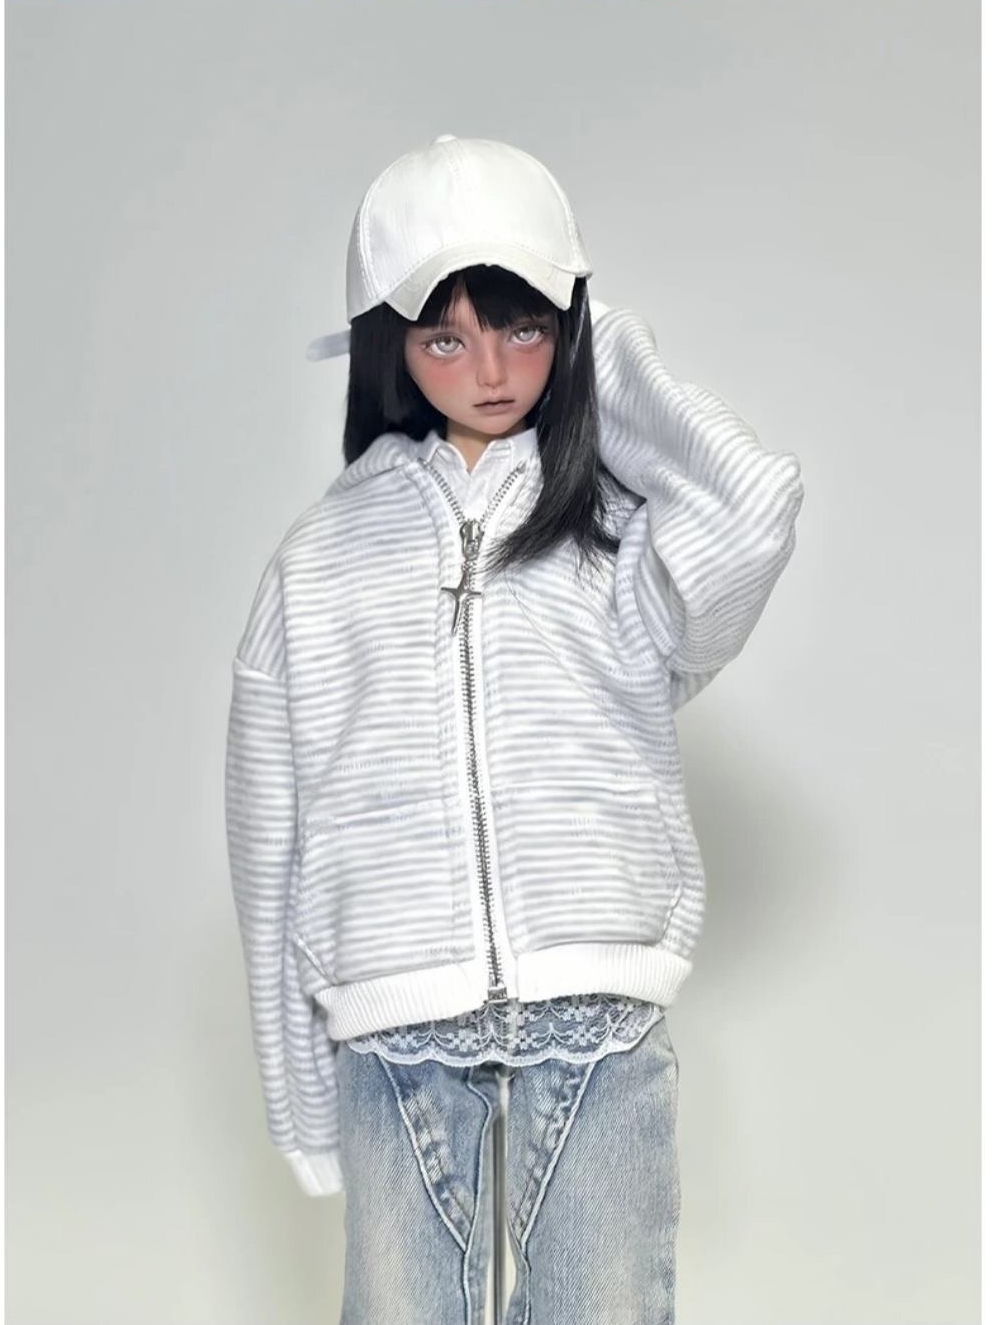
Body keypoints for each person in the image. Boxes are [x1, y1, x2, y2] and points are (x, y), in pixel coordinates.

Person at [224, 133, 805, 1324]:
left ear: (569, 323)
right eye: (445, 337)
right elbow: (266, 830)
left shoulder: (618, 536)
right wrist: (298, 1097)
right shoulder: (321, 562)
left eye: (524, 325)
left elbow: (752, 507)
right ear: (389, 346)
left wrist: (609, 365)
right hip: (395, 1028)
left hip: (596, 1021)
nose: (489, 369)